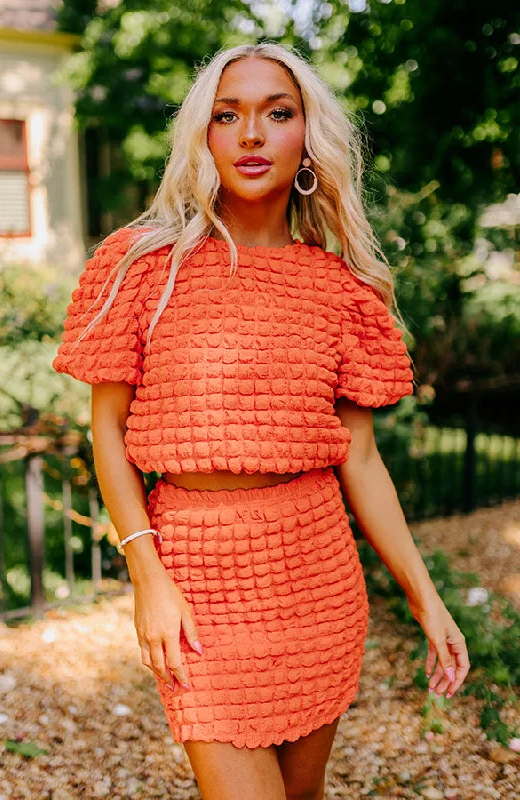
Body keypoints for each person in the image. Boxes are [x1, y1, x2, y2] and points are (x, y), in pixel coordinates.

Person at [52, 41, 470, 800]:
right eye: (227, 114)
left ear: (307, 138)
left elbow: (361, 459)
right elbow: (105, 433)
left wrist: (423, 594)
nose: (251, 135)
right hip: (193, 573)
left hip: (315, 575)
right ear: (203, 136)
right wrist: (147, 574)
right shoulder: (142, 265)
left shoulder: (341, 289)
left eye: (276, 114)